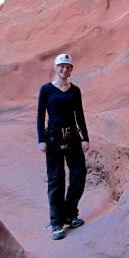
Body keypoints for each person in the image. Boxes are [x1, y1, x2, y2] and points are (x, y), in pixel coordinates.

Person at [37, 53, 90, 240]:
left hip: (73, 137)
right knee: (56, 180)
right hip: (53, 138)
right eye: (61, 66)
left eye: (68, 67)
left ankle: (69, 213)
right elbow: (40, 115)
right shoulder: (46, 90)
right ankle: (56, 223)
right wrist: (40, 140)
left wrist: (85, 137)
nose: (64, 70)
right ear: (55, 67)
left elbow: (80, 115)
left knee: (78, 174)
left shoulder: (75, 91)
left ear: (71, 70)